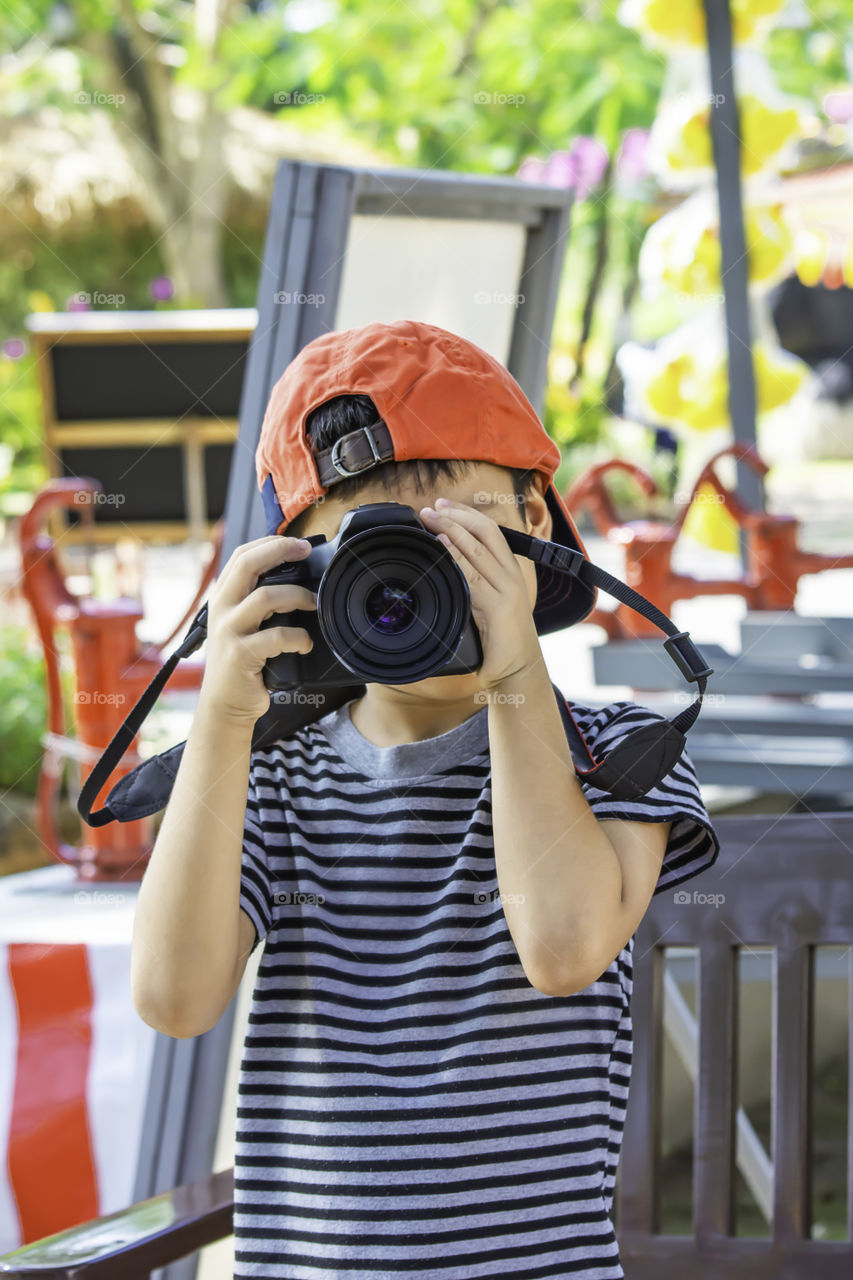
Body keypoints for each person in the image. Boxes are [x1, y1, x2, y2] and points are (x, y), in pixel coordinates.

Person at [131, 319, 720, 1279]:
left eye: (463, 538)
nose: (411, 591)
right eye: (372, 558)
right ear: (297, 576)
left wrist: (514, 674)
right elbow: (174, 998)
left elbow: (564, 946)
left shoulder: (613, 752)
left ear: (538, 528)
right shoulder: (265, 775)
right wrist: (225, 721)